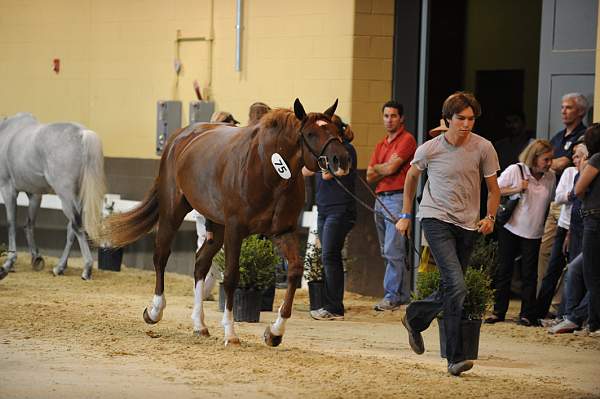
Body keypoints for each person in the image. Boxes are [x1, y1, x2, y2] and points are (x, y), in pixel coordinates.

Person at [397, 92, 500, 376]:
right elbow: (410, 179)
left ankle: (415, 318)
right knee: (456, 285)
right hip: (435, 217)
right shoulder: (429, 149)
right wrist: (406, 215)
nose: (467, 124)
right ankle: (455, 358)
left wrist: (490, 217)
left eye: (471, 119)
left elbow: (493, 190)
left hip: (468, 224)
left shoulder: (484, 148)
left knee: (452, 287)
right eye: (461, 118)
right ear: (447, 119)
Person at [486, 140, 555, 327]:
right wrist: (518, 188)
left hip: (534, 231)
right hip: (511, 228)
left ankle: (526, 314)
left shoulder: (551, 177)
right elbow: (495, 190)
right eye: (546, 159)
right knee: (504, 270)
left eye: (551, 159)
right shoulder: (516, 170)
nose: (549, 163)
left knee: (529, 274)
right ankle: (498, 311)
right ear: (534, 157)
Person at [303, 115, 357, 321]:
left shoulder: (345, 150)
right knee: (328, 257)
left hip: (340, 209)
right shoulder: (323, 151)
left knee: (330, 256)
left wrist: (318, 163)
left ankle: (335, 307)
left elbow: (330, 173)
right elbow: (307, 169)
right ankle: (329, 304)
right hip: (325, 208)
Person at [367, 101, 417, 311]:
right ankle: (402, 295)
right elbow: (370, 175)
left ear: (402, 118)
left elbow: (392, 169)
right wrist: (382, 167)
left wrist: (382, 168)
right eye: (386, 115)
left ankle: (391, 295)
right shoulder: (381, 144)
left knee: (392, 248)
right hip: (379, 197)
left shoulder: (407, 140)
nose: (389, 120)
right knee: (387, 249)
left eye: (393, 116)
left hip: (397, 198)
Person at [537, 94, 589, 289]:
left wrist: (547, 163)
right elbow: (548, 162)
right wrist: (551, 163)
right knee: (545, 252)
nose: (563, 111)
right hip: (555, 200)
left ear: (581, 111)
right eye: (562, 107)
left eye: (568, 107)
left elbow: (563, 163)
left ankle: (558, 307)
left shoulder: (583, 135)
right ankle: (540, 299)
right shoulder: (558, 136)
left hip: (572, 204)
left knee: (566, 256)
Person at [534, 143, 587, 321]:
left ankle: (565, 313)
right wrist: (574, 194)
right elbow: (559, 197)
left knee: (573, 271)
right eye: (574, 155)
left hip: (580, 228)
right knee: (553, 269)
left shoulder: (590, 175)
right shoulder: (570, 173)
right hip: (564, 225)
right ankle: (539, 311)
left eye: (579, 156)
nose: (574, 159)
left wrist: (571, 196)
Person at [192, 110, 240, 300]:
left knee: (207, 244)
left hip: (210, 204)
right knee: (208, 243)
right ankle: (202, 290)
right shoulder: (213, 150)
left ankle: (204, 290)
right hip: (209, 206)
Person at [573, 123, 600, 337]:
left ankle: (594, 323)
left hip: (594, 218)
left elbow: (579, 188)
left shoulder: (597, 159)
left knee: (591, 273)